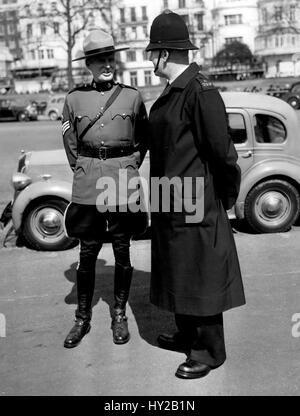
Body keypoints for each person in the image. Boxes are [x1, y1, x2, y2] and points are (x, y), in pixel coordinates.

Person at [146, 11, 246, 379]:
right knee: (179, 272)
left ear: (162, 53)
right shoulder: (173, 93)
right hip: (170, 203)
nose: (149, 60)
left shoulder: (200, 92)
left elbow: (223, 154)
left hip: (197, 205)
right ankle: (187, 335)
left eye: (151, 53)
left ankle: (209, 351)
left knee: (200, 274)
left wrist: (222, 200)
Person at [62, 29, 148, 348]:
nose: (107, 65)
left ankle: (119, 315)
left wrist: (127, 165)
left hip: (122, 181)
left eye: (110, 59)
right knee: (88, 252)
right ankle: (82, 319)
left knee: (122, 249)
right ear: (89, 65)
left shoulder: (132, 97)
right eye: (100, 60)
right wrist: (86, 168)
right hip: (88, 183)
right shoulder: (74, 99)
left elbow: (142, 139)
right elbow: (71, 144)